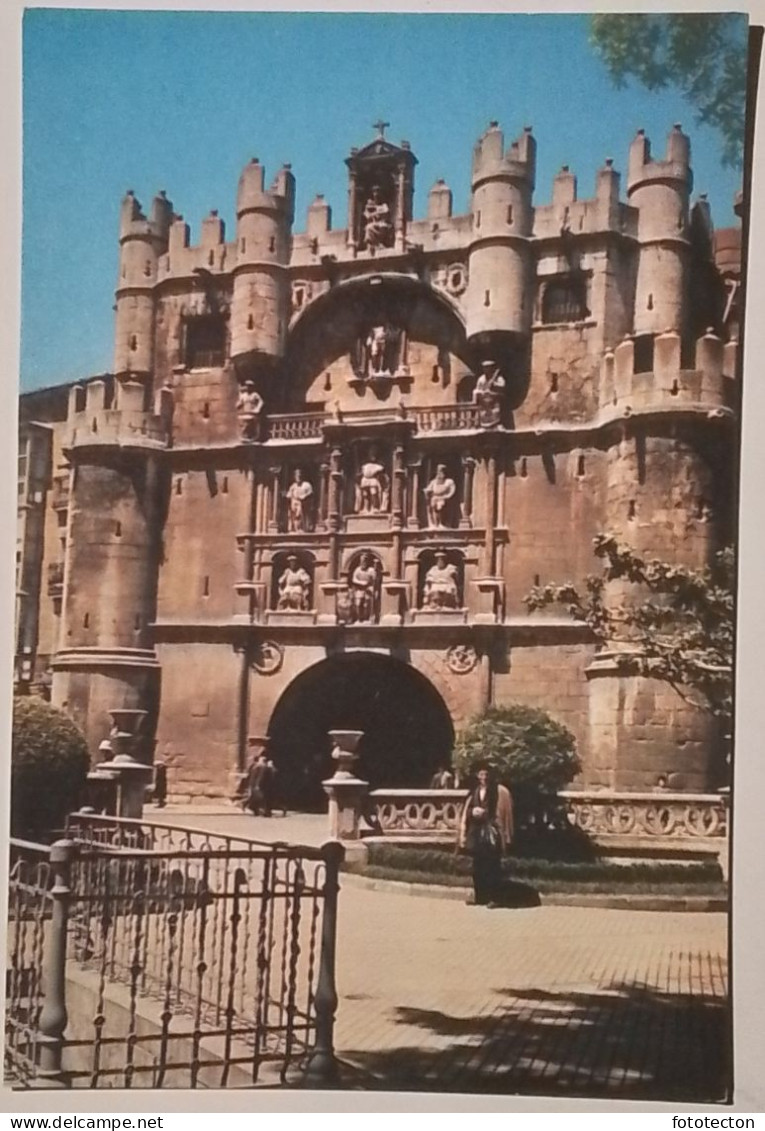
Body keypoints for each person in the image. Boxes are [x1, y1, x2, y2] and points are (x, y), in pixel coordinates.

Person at [458, 764, 513, 907]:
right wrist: (472, 812)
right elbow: (466, 810)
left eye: (486, 775)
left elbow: (502, 814)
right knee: (478, 867)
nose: (484, 778)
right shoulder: (474, 791)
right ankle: (480, 896)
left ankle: (494, 898)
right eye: (481, 775)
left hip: (491, 834)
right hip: (476, 833)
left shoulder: (498, 791)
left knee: (492, 867)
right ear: (477, 776)